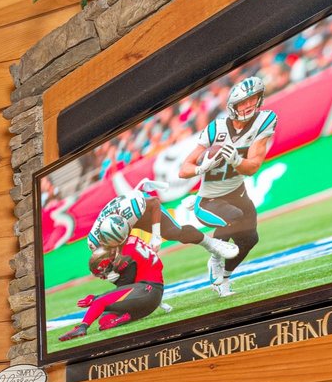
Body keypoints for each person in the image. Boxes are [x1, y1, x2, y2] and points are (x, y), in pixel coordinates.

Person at [58, 195, 238, 343]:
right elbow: (135, 272)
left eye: (121, 240)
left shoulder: (132, 212)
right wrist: (113, 275)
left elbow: (154, 203)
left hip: (141, 213)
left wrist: (157, 235)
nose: (120, 245)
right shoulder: (96, 243)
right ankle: (132, 308)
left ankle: (212, 244)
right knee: (110, 305)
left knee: (174, 232)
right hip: (148, 288)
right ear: (105, 241)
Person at [180, 75, 278, 297]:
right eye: (243, 102)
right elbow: (183, 169)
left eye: (252, 99)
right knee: (232, 216)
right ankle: (215, 257)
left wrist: (235, 160)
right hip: (209, 200)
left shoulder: (265, 120)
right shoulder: (216, 128)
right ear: (233, 106)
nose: (248, 105)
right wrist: (201, 168)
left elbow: (252, 167)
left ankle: (224, 278)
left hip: (237, 192)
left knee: (250, 239)